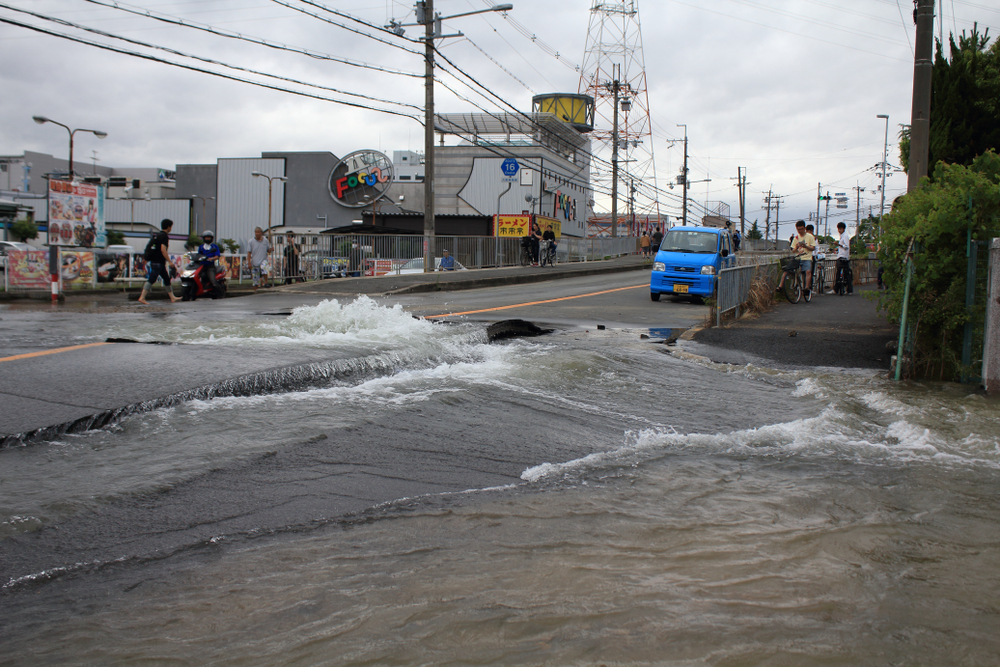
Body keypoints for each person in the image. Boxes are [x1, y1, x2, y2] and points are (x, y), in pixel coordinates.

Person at [138, 219, 180, 305]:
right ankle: (142, 297)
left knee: (166, 279)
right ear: (169, 227)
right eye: (171, 226)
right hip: (158, 262)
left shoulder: (157, 235)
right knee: (152, 279)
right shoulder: (164, 236)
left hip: (156, 262)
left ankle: (172, 297)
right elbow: (163, 250)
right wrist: (170, 261)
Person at [777, 220, 815, 297]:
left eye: (801, 229)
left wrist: (806, 246)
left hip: (807, 257)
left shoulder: (810, 237)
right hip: (798, 258)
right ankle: (780, 286)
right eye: (798, 229)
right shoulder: (796, 238)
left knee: (808, 271)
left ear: (804, 228)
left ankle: (807, 288)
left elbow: (813, 248)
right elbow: (793, 251)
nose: (799, 231)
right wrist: (797, 247)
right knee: (786, 270)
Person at [197, 230, 222, 297]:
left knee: (213, 281)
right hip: (201, 266)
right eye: (206, 237)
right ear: (203, 238)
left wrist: (212, 258)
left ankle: (221, 295)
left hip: (210, 266)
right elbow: (198, 255)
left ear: (212, 238)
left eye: (209, 237)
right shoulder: (201, 247)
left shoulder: (214, 247)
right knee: (195, 278)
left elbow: (217, 256)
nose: (207, 239)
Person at [247, 226, 271, 291]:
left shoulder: (265, 241)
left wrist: (271, 249)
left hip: (263, 259)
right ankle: (256, 290)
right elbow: (249, 253)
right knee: (255, 279)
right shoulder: (251, 241)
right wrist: (249, 262)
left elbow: (268, 250)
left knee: (264, 267)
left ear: (261, 233)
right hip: (255, 262)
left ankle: (266, 282)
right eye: (255, 232)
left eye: (258, 232)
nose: (256, 233)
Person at [833, 221, 854, 295]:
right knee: (846, 273)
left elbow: (846, 246)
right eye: (838, 229)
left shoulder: (845, 236)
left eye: (840, 229)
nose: (839, 230)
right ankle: (849, 290)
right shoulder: (842, 236)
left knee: (839, 273)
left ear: (844, 229)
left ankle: (836, 289)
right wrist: (837, 248)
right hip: (844, 256)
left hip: (843, 256)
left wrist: (838, 244)